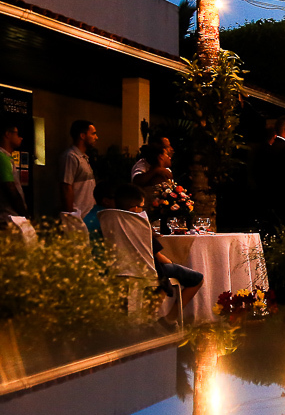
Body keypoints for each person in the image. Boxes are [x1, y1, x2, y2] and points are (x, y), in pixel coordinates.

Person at [115, 184, 203, 326]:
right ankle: (169, 319)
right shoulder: (138, 223)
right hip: (147, 270)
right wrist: (172, 264)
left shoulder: (110, 220)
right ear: (134, 209)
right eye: (142, 207)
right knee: (197, 278)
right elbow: (157, 256)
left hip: (120, 269)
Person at [60, 119, 98, 217]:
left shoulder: (84, 157)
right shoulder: (71, 157)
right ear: (82, 136)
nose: (96, 137)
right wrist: (71, 215)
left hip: (87, 214)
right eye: (93, 134)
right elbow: (66, 187)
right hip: (79, 215)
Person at [0, 116, 27, 226]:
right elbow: (11, 190)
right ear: (8, 134)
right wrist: (24, 214)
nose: (21, 138)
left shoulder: (7, 158)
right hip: (8, 219)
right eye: (17, 133)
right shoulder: (2, 158)